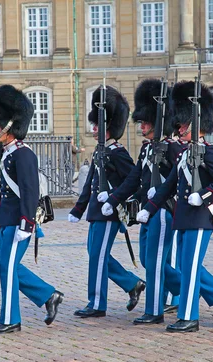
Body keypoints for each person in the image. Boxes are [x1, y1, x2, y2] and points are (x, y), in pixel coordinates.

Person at [137, 81, 213, 333]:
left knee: (190, 268)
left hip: (200, 218)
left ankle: (189, 318)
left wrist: (205, 194)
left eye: (183, 125)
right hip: (184, 218)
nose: (179, 129)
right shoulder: (184, 154)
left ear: (195, 125)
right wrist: (149, 208)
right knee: (185, 267)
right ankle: (203, 307)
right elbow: (167, 186)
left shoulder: (209, 152)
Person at [99, 79, 184, 325]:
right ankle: (206, 291)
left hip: (164, 210)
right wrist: (115, 199)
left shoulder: (172, 148)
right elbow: (135, 179)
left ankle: (154, 310)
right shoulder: (148, 149)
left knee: (155, 261)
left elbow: (179, 181)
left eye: (146, 122)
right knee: (148, 260)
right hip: (148, 212)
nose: (142, 126)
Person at [0, 85, 64, 334]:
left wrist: (27, 224)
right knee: (7, 268)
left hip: (19, 221)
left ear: (9, 126)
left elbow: (29, 191)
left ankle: (10, 320)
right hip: (6, 219)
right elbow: (9, 186)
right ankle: (49, 296)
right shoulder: (6, 152)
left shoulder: (23, 153)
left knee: (9, 270)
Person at [69, 85, 146, 318]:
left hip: (109, 212)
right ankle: (132, 284)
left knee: (98, 256)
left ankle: (97, 303)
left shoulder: (118, 153)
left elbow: (134, 180)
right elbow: (90, 182)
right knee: (96, 254)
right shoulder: (100, 151)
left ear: (109, 127)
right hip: (96, 211)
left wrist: (113, 198)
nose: (93, 129)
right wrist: (78, 208)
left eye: (98, 126)